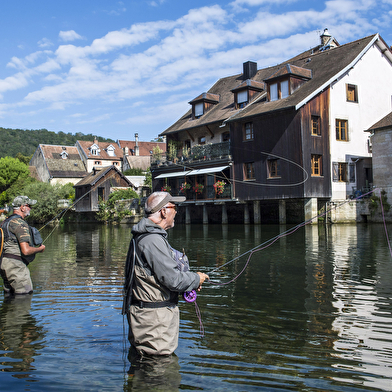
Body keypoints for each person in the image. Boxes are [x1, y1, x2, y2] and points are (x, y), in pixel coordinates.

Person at [122, 191, 209, 356]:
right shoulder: (152, 240)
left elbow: (159, 279)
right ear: (163, 211)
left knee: (148, 370)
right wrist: (197, 278)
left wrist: (189, 283)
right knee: (159, 373)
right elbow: (173, 280)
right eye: (174, 207)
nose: (176, 212)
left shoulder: (145, 237)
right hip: (154, 326)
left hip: (149, 322)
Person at [0, 196, 45, 295]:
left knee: (9, 297)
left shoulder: (4, 222)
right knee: (24, 296)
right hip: (16, 267)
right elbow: (26, 250)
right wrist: (40, 249)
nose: (31, 208)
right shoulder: (20, 224)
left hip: (4, 264)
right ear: (22, 207)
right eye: (29, 206)